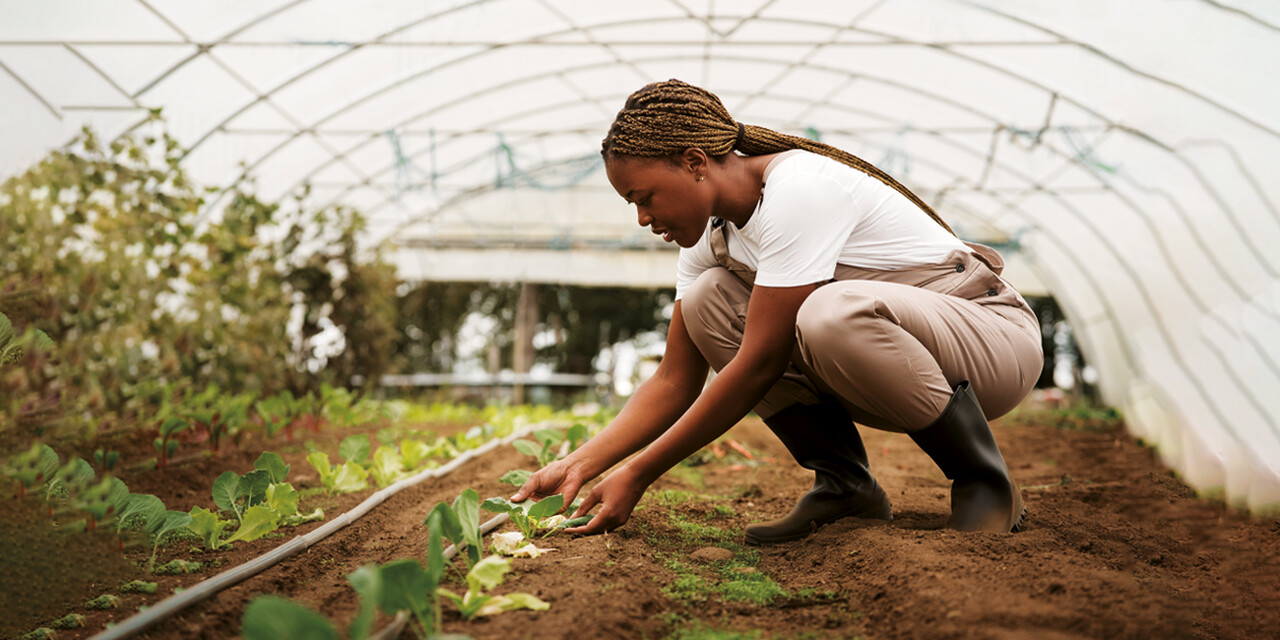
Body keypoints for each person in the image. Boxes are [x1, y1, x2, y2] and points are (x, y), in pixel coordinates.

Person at [511, 79, 1043, 542]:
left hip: (991, 343)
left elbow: (759, 362)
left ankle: (982, 480)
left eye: (644, 196)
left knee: (828, 312)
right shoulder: (709, 239)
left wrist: (640, 473)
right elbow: (675, 378)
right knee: (707, 301)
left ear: (694, 162)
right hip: (895, 366)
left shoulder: (801, 191)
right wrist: (579, 463)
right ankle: (846, 485)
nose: (643, 217)